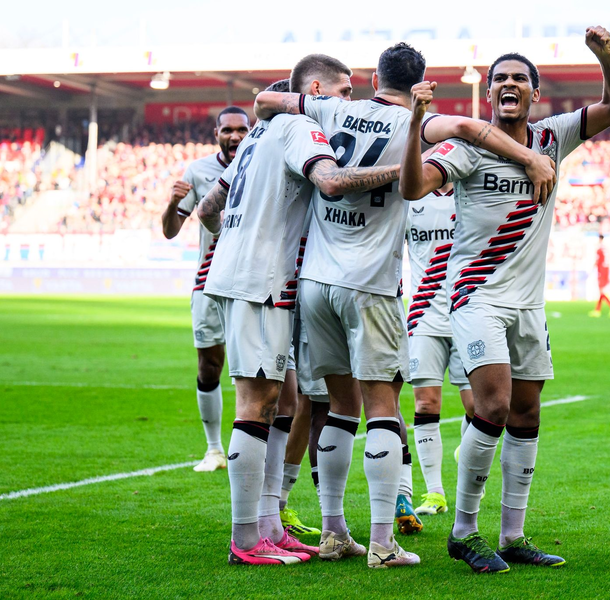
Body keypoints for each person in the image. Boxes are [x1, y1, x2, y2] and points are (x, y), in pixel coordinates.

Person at [254, 42, 557, 569]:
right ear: (422, 81)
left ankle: (331, 532)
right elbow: (466, 130)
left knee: (335, 408)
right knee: (382, 409)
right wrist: (529, 154)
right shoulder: (419, 123)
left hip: (316, 281)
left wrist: (293, 106)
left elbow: (265, 100)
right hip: (371, 283)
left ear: (373, 79)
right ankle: (382, 543)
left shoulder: (334, 108)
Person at [400, 26, 610, 573]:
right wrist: (416, 126)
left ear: (534, 94)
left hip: (529, 304)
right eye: (499, 78)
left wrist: (604, 55)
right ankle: (463, 531)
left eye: (519, 79)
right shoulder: (465, 147)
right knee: (496, 405)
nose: (509, 84)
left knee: (527, 412)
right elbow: (414, 187)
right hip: (476, 297)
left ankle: (512, 535)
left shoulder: (553, 137)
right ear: (489, 95)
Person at [197, 58, 401, 567]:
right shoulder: (302, 127)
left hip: (247, 275)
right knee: (258, 403)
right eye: (344, 90)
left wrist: (239, 235)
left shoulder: (253, 137)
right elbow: (330, 183)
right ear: (313, 90)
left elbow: (205, 211)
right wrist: (408, 170)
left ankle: (269, 523)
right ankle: (247, 539)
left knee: (285, 398)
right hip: (263, 281)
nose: (350, 102)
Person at [160, 107, 250, 472]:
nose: (234, 136)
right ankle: (214, 450)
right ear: (216, 133)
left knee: (257, 370)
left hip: (253, 282)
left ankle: (254, 452)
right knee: (210, 365)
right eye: (227, 130)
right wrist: (171, 203)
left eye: (241, 129)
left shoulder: (264, 163)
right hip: (210, 282)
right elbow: (170, 230)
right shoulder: (198, 171)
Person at [404, 181, 475, 517]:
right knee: (426, 402)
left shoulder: (471, 194)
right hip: (423, 316)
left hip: (468, 312)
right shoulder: (410, 198)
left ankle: (470, 450)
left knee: (480, 407)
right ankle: (435, 492)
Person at [589, 234, 610, 317]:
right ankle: (597, 310)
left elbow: (597, 260)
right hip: (606, 270)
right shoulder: (606, 248)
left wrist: (591, 269)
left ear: (599, 239)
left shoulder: (599, 249)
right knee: (601, 292)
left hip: (601, 271)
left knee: (601, 291)